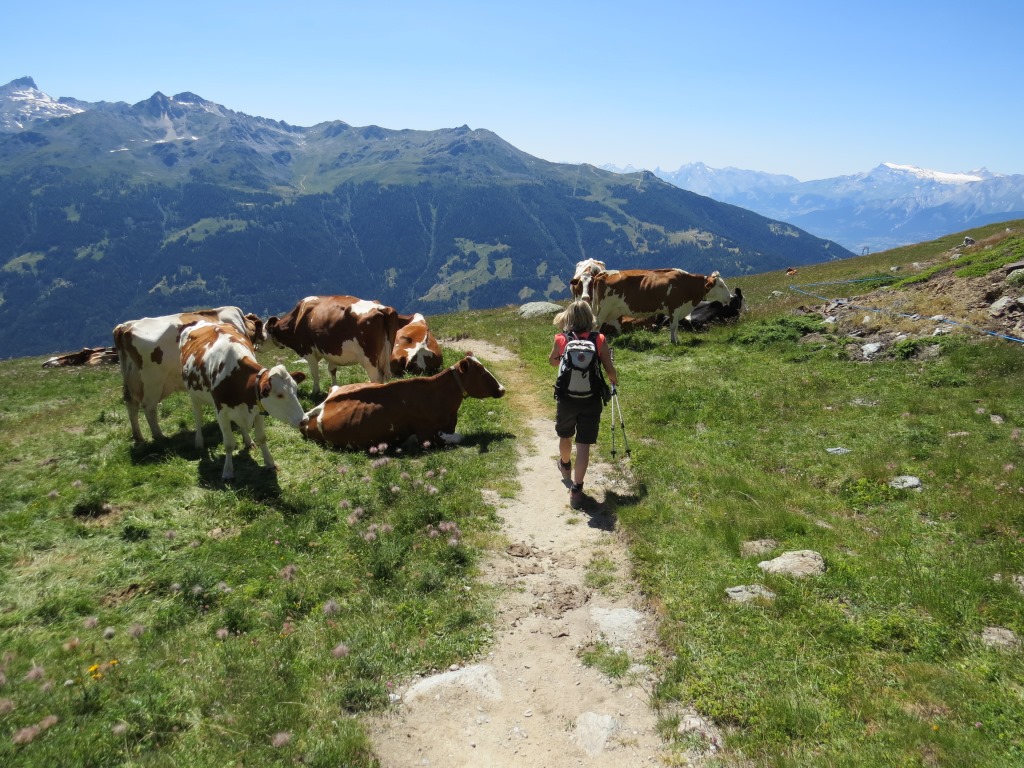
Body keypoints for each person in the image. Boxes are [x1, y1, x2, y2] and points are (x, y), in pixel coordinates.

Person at [548, 300, 618, 509]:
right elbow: (609, 369)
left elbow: (552, 361)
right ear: (590, 318)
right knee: (584, 444)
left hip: (567, 398)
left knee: (565, 435)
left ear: (568, 318)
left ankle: (565, 465)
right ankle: (577, 489)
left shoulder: (561, 338)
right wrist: (613, 382)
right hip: (591, 399)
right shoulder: (599, 339)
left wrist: (563, 357)